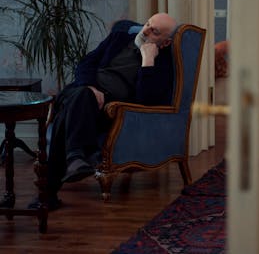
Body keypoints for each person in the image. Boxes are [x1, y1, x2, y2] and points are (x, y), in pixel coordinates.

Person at [29, 12, 177, 211]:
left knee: (70, 112)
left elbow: (146, 101)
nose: (146, 30)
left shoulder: (163, 65)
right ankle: (75, 157)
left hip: (108, 109)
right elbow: (86, 63)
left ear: (165, 42)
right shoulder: (118, 39)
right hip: (82, 90)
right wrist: (90, 86)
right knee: (82, 96)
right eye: (148, 24)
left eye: (155, 31)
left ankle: (51, 191)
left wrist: (147, 61)